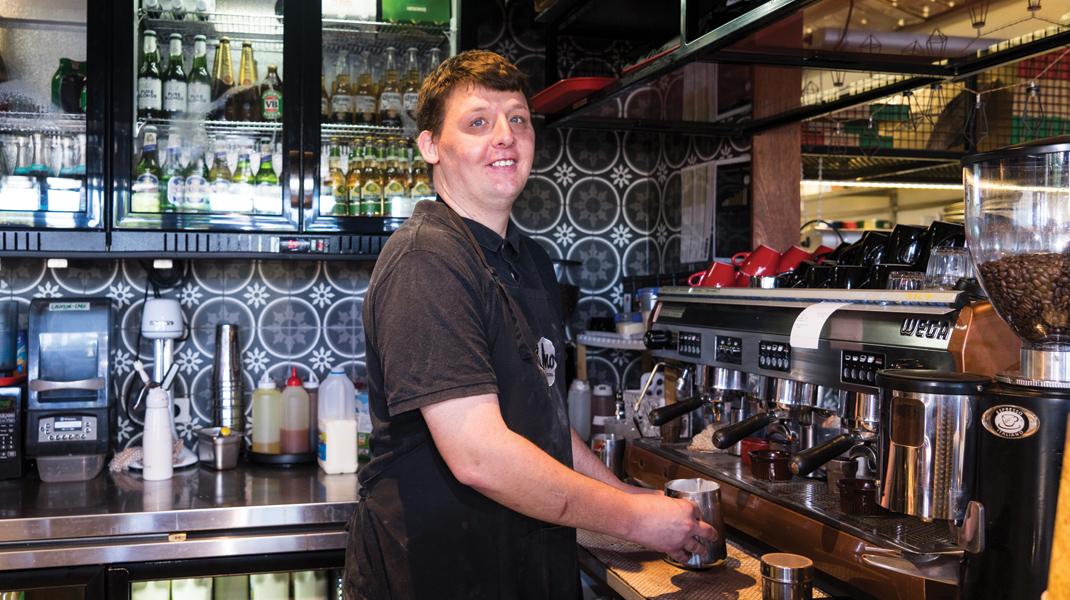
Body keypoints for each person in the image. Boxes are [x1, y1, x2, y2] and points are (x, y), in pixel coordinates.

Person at [347, 50, 716, 600]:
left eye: (517, 119)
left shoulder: (530, 260)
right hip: (439, 573)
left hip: (526, 566)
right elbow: (479, 455)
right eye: (478, 122)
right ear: (430, 146)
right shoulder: (427, 260)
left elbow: (545, 422)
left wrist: (628, 500)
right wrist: (634, 519)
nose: (505, 137)